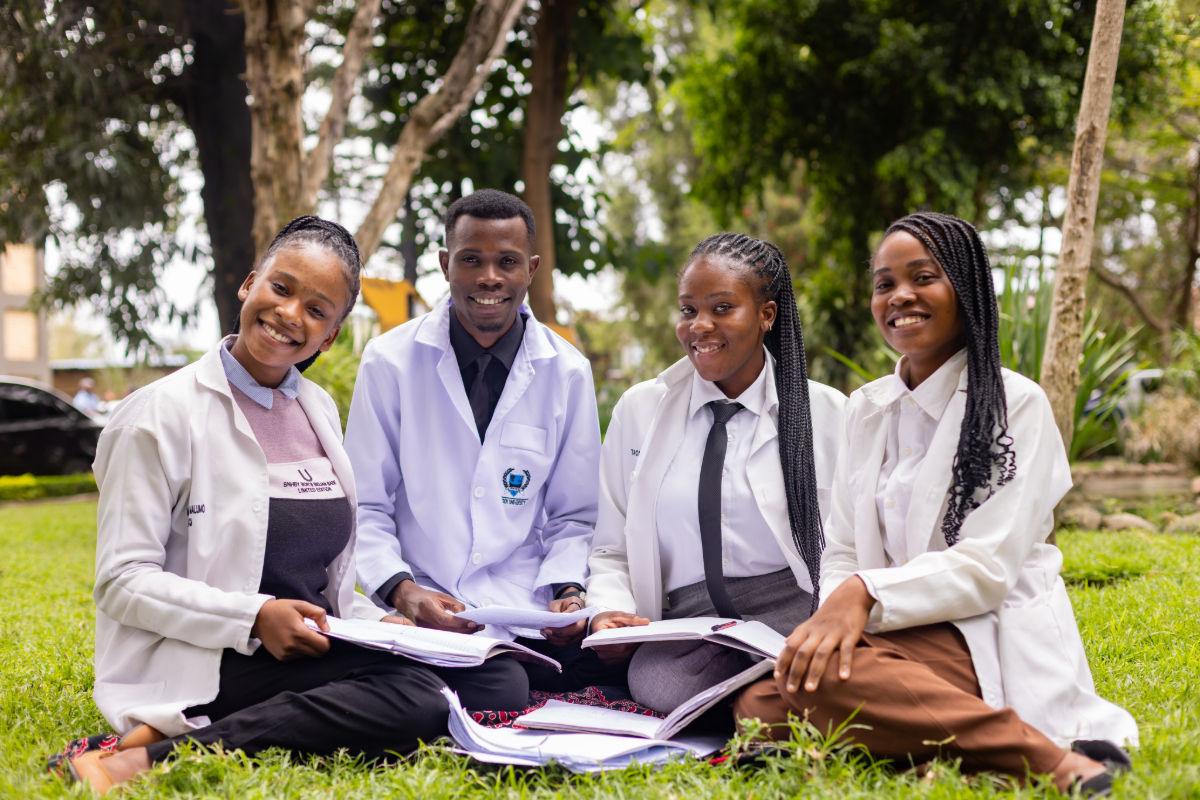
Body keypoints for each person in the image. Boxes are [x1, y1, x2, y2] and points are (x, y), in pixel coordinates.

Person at [70, 217, 527, 795]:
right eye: (281, 289)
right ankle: (151, 759)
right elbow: (122, 582)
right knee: (421, 696)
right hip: (212, 653)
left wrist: (383, 622)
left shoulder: (318, 411)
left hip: (315, 643)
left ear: (331, 337)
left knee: (500, 677)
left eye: (317, 310)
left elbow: (322, 586)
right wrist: (254, 616)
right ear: (249, 284)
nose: (290, 315)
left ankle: (263, 716)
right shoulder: (156, 414)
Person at [733, 212, 1138, 794]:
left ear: (965, 287)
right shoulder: (866, 409)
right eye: (883, 283)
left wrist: (865, 594)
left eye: (923, 277)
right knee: (757, 703)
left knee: (815, 689)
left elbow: (987, 567)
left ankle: (1048, 760)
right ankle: (944, 748)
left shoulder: (1013, 404)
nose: (900, 296)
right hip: (892, 633)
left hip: (983, 628)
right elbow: (842, 546)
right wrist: (839, 610)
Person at [345, 189, 622, 692]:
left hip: (525, 607)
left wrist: (567, 592)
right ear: (446, 264)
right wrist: (404, 592)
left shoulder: (568, 372)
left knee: (615, 665)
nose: (489, 277)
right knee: (504, 685)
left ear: (531, 269)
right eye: (471, 260)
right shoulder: (390, 361)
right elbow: (365, 503)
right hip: (425, 602)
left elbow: (574, 515)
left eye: (507, 262)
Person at [584, 233, 846, 715]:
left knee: (821, 665)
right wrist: (607, 610)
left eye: (722, 308)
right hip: (690, 621)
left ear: (766, 315)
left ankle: (765, 699)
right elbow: (610, 547)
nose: (699, 326)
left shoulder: (827, 413)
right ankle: (770, 702)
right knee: (657, 682)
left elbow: (851, 545)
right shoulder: (641, 409)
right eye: (688, 310)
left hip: (794, 607)